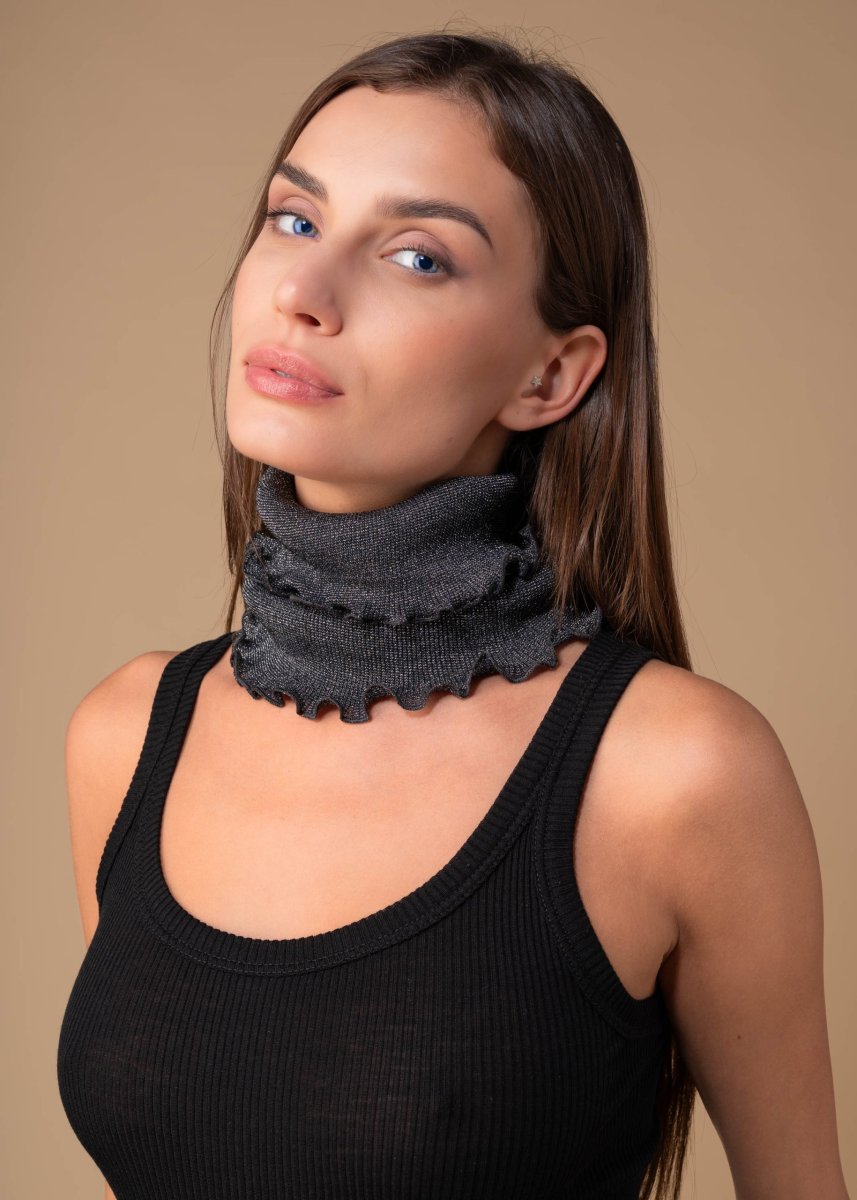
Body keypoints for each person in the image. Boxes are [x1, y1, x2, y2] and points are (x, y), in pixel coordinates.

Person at [56, 27, 849, 1200]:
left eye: (417, 256)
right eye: (293, 219)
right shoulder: (125, 735)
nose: (301, 294)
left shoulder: (673, 776)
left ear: (550, 375)